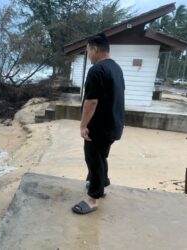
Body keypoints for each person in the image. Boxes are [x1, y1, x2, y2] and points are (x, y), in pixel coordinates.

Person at [72, 33, 125, 215]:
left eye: (87, 51)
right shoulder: (116, 68)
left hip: (100, 127)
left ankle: (93, 199)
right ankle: (103, 182)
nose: (88, 55)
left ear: (95, 49)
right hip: (114, 125)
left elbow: (91, 102)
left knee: (93, 159)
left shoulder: (96, 70)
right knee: (101, 156)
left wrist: (82, 126)